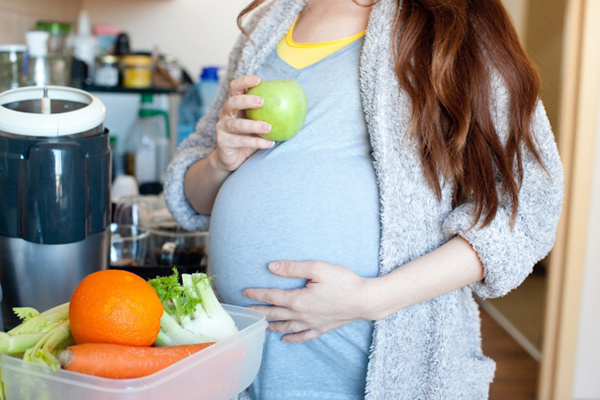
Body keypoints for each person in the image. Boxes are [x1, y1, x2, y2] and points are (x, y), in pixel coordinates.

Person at [164, 0, 564, 398]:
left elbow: (529, 208)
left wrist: (371, 299)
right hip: (246, 367)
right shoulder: (271, 21)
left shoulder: (455, 19)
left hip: (366, 370)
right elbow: (192, 196)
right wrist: (220, 160)